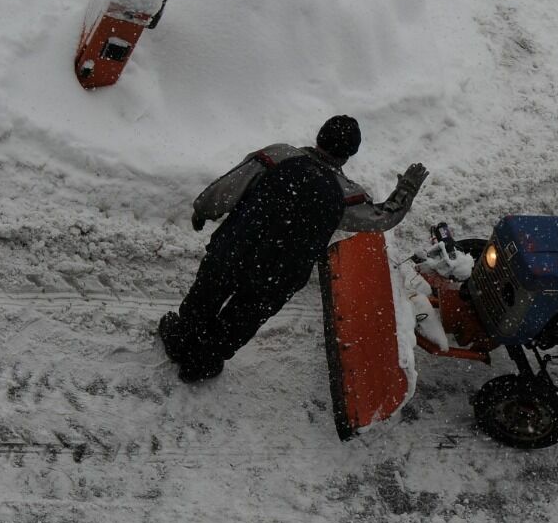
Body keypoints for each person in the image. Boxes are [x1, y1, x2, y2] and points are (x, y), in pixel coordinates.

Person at [158, 115, 429, 382]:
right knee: (240, 320)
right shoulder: (346, 194)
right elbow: (382, 218)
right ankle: (202, 362)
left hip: (234, 249)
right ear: (350, 154)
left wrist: (204, 208)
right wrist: (405, 191)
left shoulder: (278, 156)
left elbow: (231, 185)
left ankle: (181, 338)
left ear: (319, 135)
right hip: (277, 276)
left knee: (205, 296)